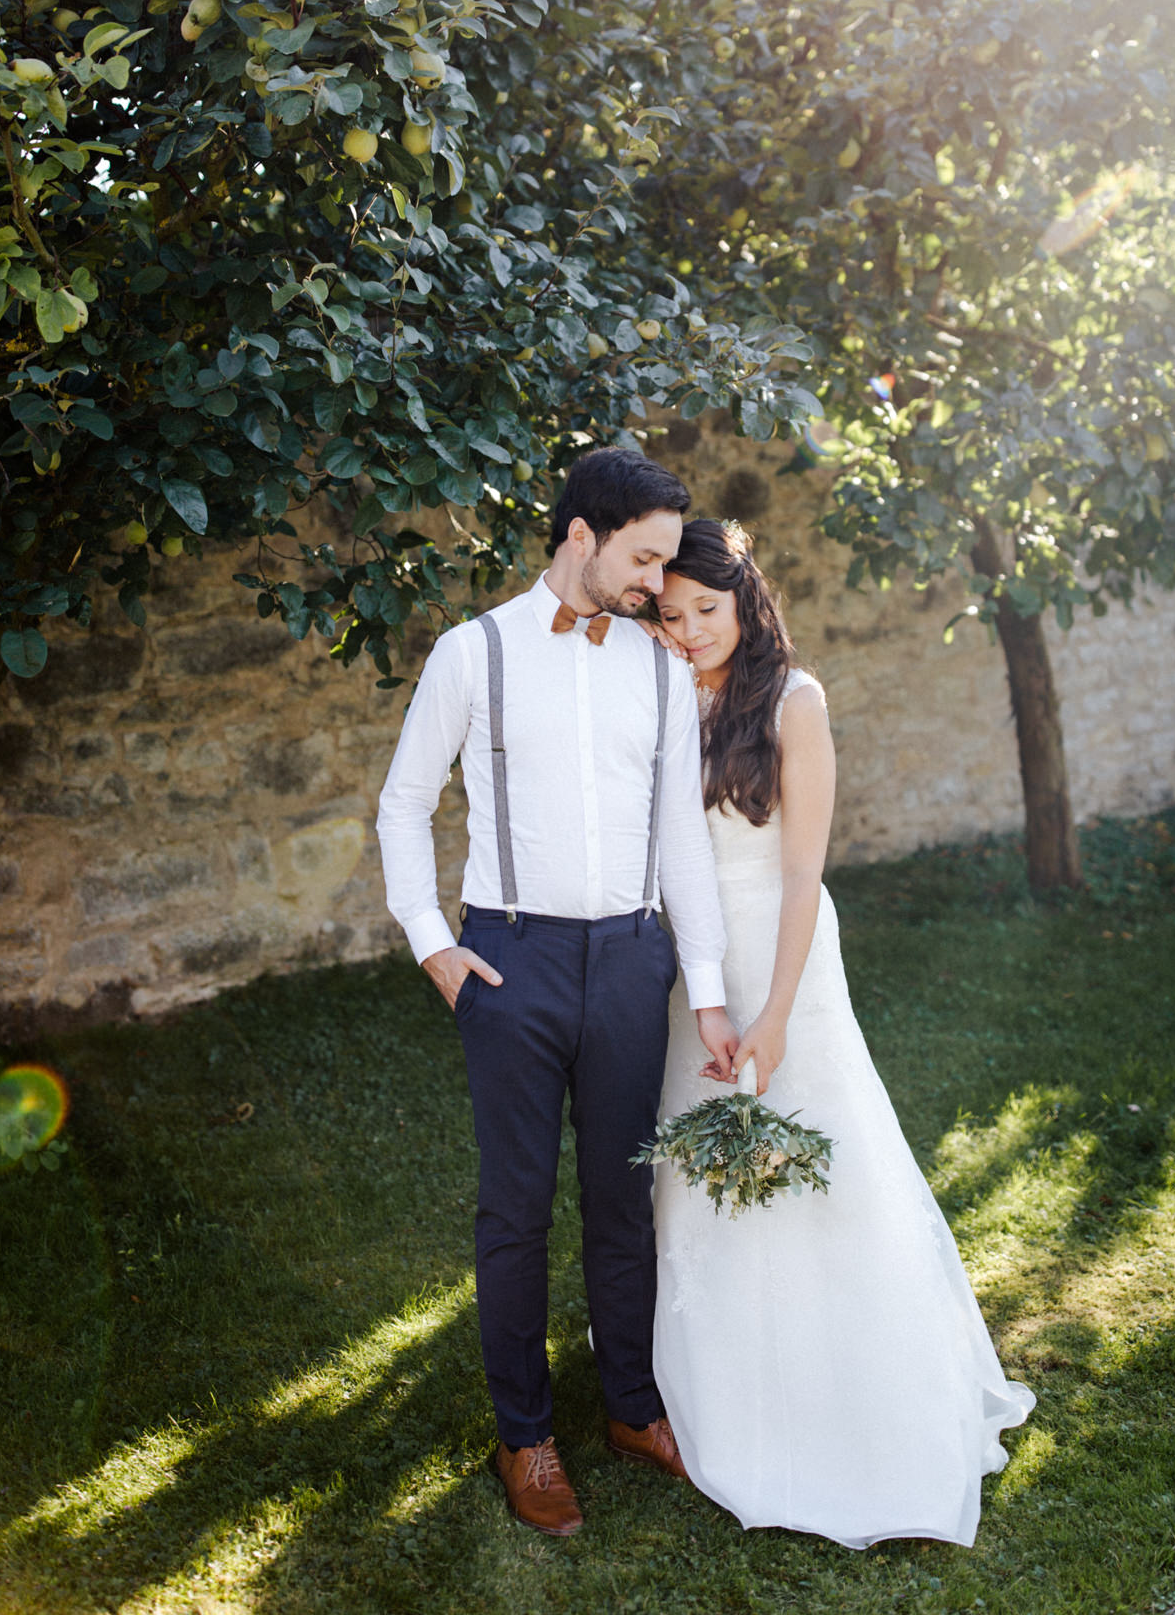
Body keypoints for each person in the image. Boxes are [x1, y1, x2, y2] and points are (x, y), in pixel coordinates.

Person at [648, 518, 1034, 1546]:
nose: (686, 630)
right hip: (695, 964)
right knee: (701, 1164)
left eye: (705, 611)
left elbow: (801, 870)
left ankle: (853, 1381)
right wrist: (706, 989)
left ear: (747, 600)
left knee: (817, 1146)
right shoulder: (658, 694)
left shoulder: (794, 699)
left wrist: (772, 1010)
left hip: (784, 949)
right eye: (669, 612)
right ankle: (721, 1379)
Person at [376, 449, 740, 1538]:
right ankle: (524, 1431)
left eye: (665, 561)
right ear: (579, 535)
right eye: (641, 557)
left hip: (632, 959)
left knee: (624, 1199)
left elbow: (682, 836)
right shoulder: (470, 651)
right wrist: (436, 946)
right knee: (515, 1209)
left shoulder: (659, 666)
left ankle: (632, 1407)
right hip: (511, 960)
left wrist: (707, 987)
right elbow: (402, 806)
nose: (654, 583)